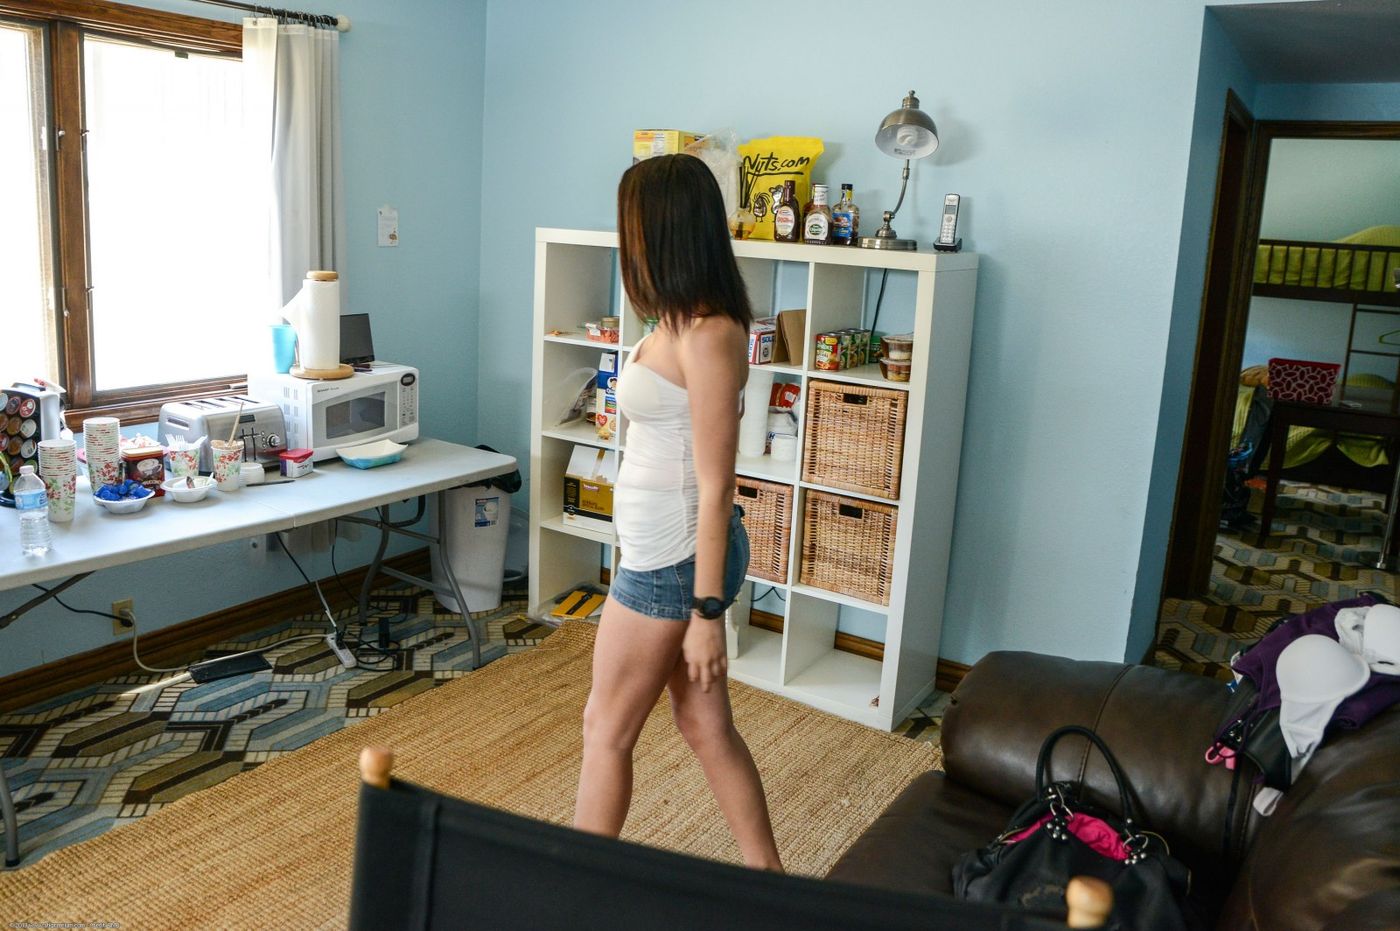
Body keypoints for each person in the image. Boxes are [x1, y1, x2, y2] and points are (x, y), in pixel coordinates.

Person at [573, 153, 783, 872]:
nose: (625, 240)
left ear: (663, 231)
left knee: (605, 729)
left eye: (631, 225)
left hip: (675, 563)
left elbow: (718, 483)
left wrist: (706, 612)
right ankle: (771, 882)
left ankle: (570, 893)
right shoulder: (673, 321)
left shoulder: (709, 334)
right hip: (663, 552)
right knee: (704, 725)